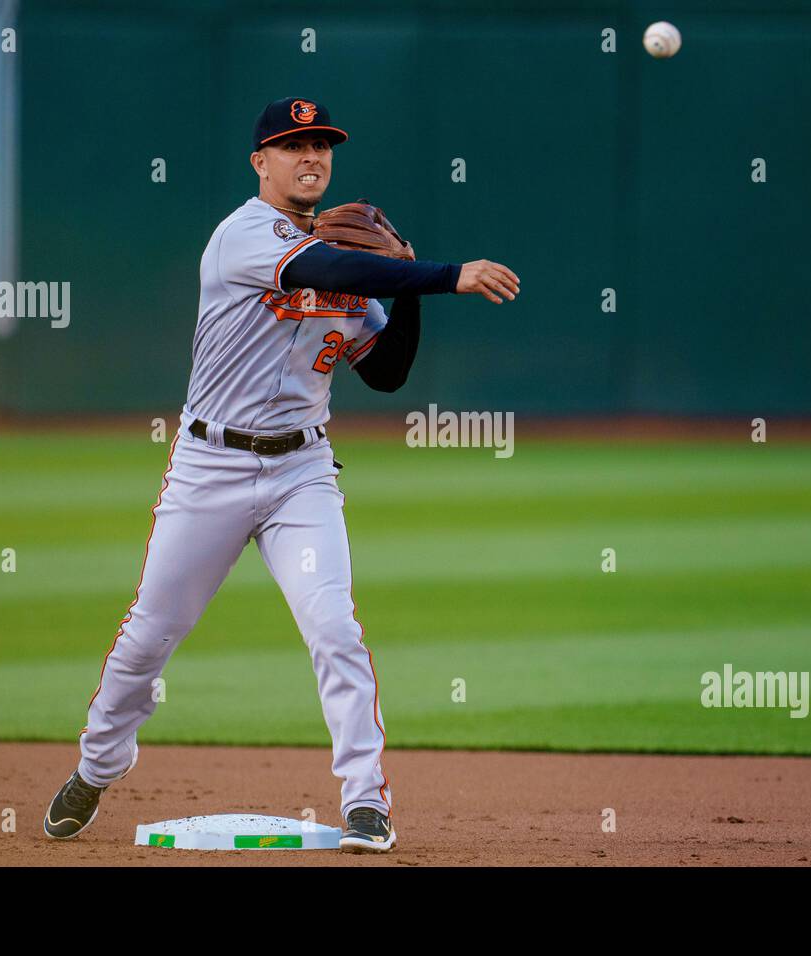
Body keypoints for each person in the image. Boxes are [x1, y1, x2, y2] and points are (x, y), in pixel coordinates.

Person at [44, 96, 519, 853]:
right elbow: (319, 267)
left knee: (334, 627)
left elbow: (388, 375)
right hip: (211, 467)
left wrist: (403, 287)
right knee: (148, 637)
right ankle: (96, 768)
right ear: (260, 162)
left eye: (323, 145)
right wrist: (443, 274)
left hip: (301, 470)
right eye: (294, 144)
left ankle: (366, 803)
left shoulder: (351, 259)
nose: (312, 157)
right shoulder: (246, 235)